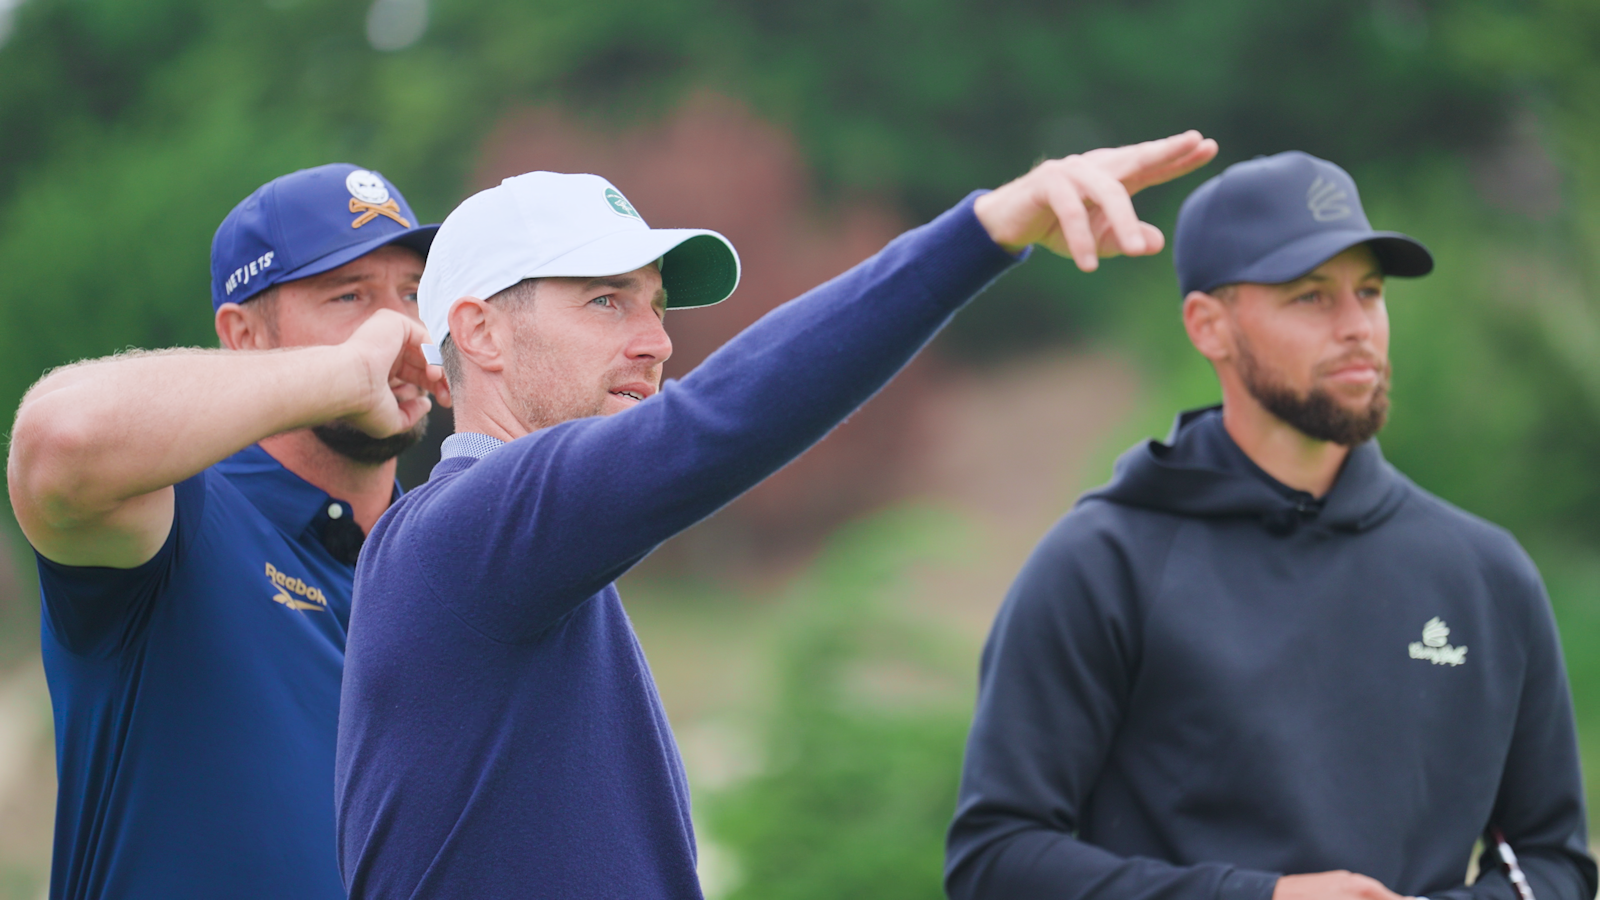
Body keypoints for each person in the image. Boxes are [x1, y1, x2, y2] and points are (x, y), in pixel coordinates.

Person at [333, 131, 1219, 898]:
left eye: (656, 304)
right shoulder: (466, 535)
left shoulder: (528, 561)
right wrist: (983, 233)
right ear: (479, 333)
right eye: (606, 300)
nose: (656, 340)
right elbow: (715, 422)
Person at [945, 151, 1598, 900]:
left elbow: (1552, 863)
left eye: (1370, 292)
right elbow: (995, 862)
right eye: (1311, 298)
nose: (1357, 328)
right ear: (1209, 327)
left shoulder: (1485, 575)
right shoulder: (1100, 565)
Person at [7, 163, 445, 899]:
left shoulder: (441, 563)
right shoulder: (180, 514)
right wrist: (345, 374)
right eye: (351, 297)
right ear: (242, 335)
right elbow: (59, 442)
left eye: (412, 293)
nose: (400, 328)